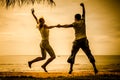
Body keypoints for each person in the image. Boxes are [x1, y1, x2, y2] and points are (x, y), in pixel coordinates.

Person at [57, 3, 98, 74]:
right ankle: (95, 68)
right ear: (80, 17)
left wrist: (60, 26)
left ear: (75, 18)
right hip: (84, 40)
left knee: (73, 54)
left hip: (77, 41)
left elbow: (67, 25)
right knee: (89, 54)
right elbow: (84, 13)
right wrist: (83, 6)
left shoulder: (75, 23)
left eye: (74, 18)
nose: (74, 19)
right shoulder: (83, 21)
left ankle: (70, 69)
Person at [28, 8, 56, 72]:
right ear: (43, 21)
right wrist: (56, 26)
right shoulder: (44, 25)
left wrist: (33, 14)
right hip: (45, 43)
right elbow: (49, 27)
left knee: (43, 57)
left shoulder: (39, 25)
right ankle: (44, 65)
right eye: (43, 20)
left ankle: (30, 62)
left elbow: (36, 19)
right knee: (53, 56)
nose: (44, 21)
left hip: (41, 43)